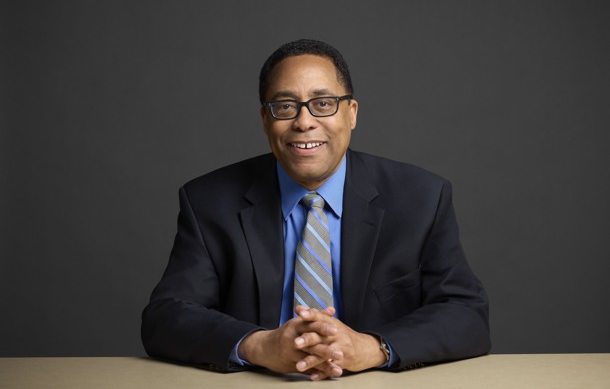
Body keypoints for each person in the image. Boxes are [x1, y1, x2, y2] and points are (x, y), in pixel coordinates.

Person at [141, 39, 491, 381]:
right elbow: (165, 316)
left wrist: (371, 348)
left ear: (351, 113)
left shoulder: (421, 197)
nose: (304, 122)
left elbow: (466, 314)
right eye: (285, 106)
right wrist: (260, 346)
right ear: (265, 119)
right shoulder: (209, 201)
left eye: (323, 104)